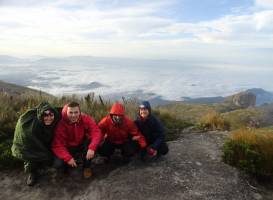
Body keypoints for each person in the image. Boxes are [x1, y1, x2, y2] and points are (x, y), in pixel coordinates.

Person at [11, 101, 60, 186]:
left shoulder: (56, 119)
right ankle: (32, 173)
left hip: (44, 140)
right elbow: (27, 143)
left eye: (51, 115)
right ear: (40, 115)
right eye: (45, 115)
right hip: (31, 143)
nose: (48, 118)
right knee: (31, 155)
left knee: (52, 159)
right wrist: (44, 153)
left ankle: (43, 163)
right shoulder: (32, 126)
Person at [52, 101, 102, 179]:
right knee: (58, 164)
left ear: (79, 112)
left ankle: (86, 167)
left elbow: (96, 132)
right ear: (66, 112)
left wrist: (92, 147)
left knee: (91, 145)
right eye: (70, 113)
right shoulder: (61, 124)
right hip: (68, 147)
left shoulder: (85, 118)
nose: (74, 115)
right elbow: (57, 145)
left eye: (76, 112)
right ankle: (68, 165)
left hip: (81, 143)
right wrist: (68, 158)